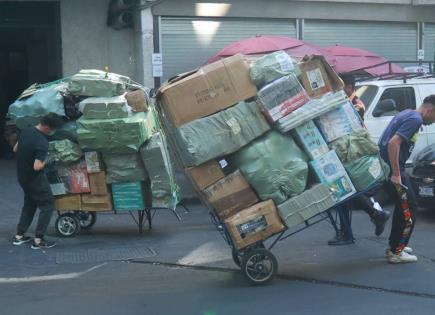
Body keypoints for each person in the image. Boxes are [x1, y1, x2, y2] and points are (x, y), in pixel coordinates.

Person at [379, 94, 435, 263]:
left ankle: (396, 246)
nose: (433, 122)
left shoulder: (406, 113)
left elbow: (385, 140)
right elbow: (392, 143)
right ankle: (396, 252)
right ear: (431, 110)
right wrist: (396, 174)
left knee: (402, 207)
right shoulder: (415, 119)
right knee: (409, 209)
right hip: (395, 171)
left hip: (388, 168)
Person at [340, 74, 391, 237]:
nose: (338, 90)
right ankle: (375, 215)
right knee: (352, 190)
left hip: (357, 151)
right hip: (351, 150)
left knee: (352, 189)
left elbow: (348, 127)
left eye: (341, 86)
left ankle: (376, 215)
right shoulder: (345, 101)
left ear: (349, 87)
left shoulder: (356, 105)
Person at [12, 113, 64, 249]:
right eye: (53, 129)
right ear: (47, 127)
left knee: (30, 204)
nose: (53, 132)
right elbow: (37, 166)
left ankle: (19, 235)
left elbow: (15, 148)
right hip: (35, 179)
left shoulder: (26, 131)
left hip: (22, 176)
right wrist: (49, 160)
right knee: (47, 204)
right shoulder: (42, 142)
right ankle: (38, 240)